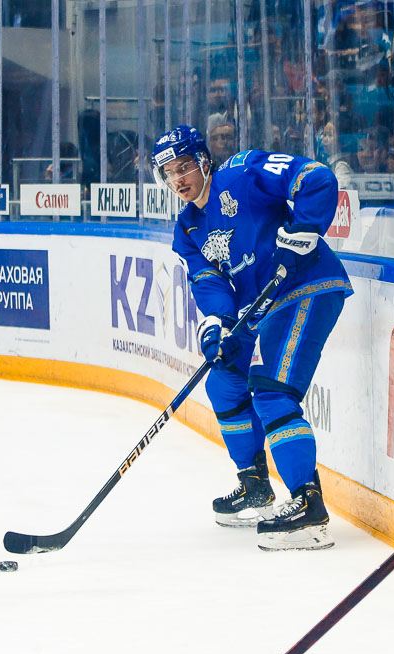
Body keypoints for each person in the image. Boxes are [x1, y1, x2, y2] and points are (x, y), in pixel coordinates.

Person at [150, 125, 352, 550]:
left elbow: (316, 178)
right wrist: (217, 324)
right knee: (224, 380)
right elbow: (209, 282)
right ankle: (255, 485)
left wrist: (303, 231)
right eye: (169, 173)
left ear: (203, 161)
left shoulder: (243, 172)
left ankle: (308, 504)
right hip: (258, 308)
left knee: (271, 391)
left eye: (184, 167)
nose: (178, 179)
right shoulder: (187, 229)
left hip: (305, 286)